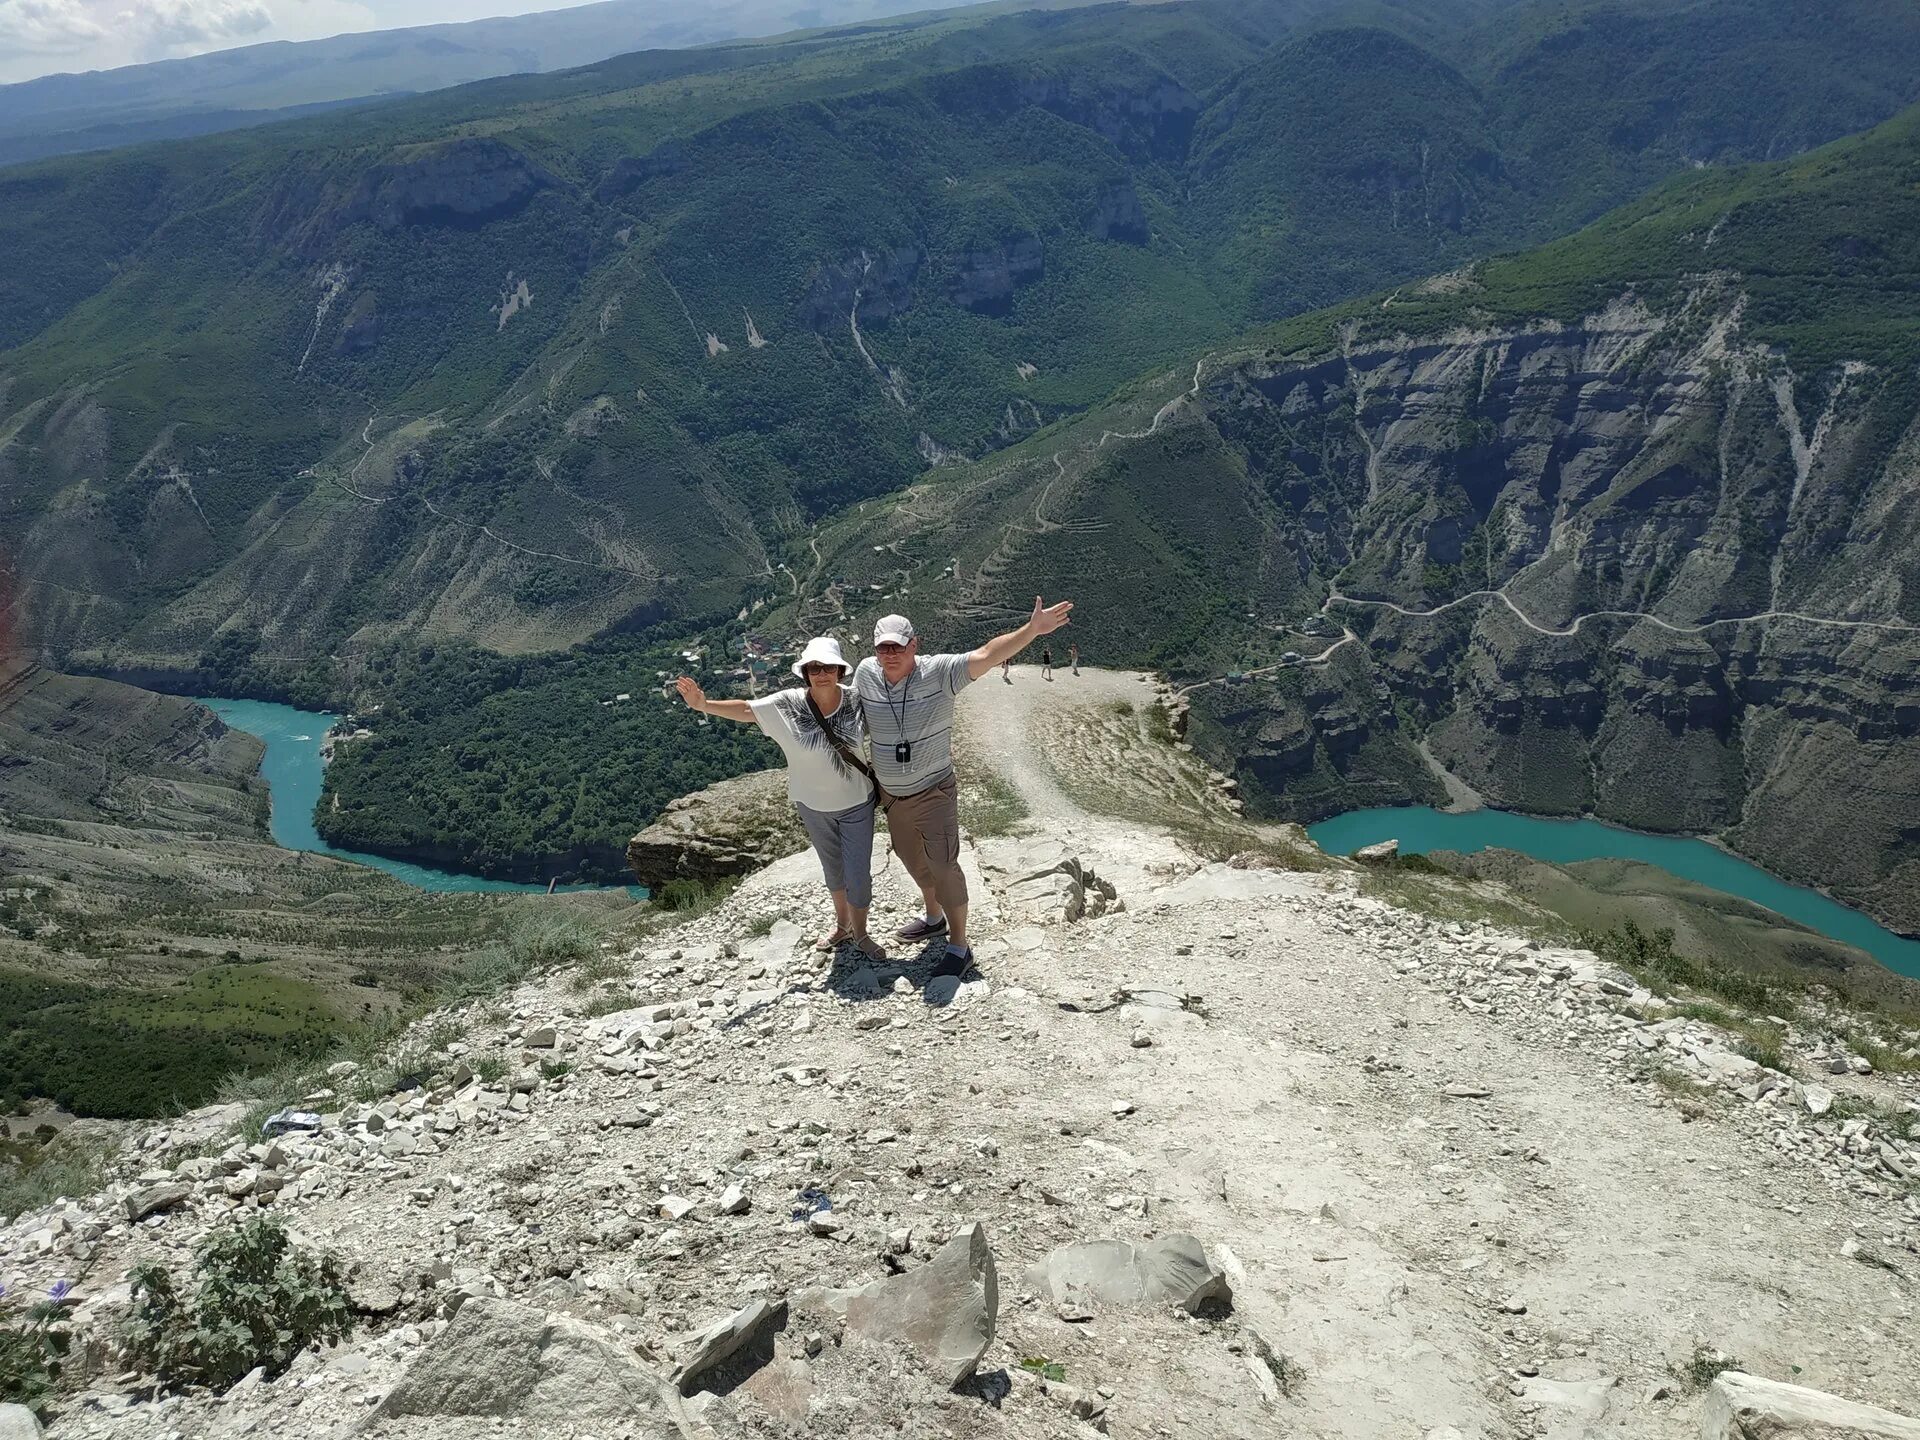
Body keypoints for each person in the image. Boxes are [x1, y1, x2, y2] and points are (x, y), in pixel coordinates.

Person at [855, 597, 1073, 978]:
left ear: (914, 645)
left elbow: (987, 653)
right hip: (891, 796)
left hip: (933, 790)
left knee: (943, 865)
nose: (890, 654)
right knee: (911, 859)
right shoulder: (866, 674)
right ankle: (933, 918)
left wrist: (1032, 630)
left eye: (897, 646)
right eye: (882, 647)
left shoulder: (939, 672)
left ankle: (959, 946)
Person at [675, 637, 885, 960]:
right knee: (833, 871)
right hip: (812, 806)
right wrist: (704, 704)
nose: (821, 673)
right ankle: (843, 926)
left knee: (858, 874)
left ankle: (861, 933)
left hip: (857, 802)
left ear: (841, 671)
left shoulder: (857, 701)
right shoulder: (789, 704)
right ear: (805, 672)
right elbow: (747, 710)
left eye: (828, 666)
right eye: (814, 667)